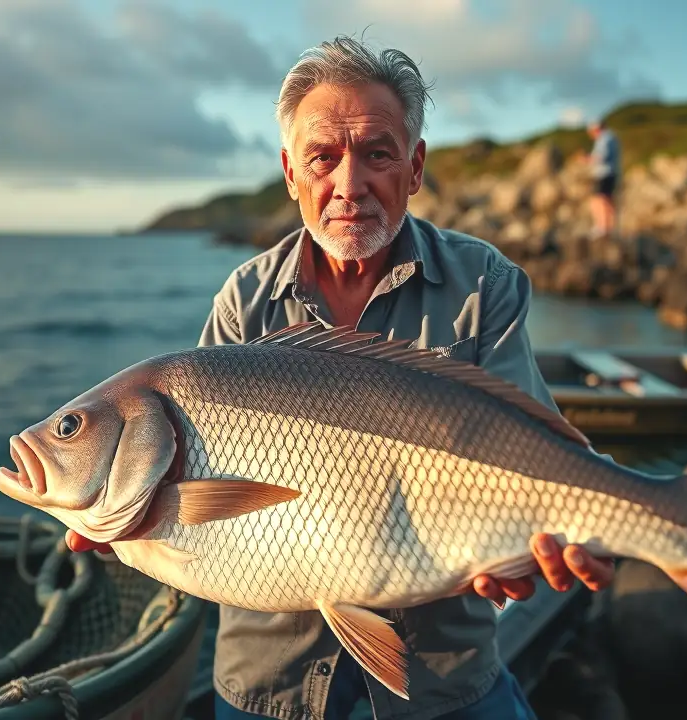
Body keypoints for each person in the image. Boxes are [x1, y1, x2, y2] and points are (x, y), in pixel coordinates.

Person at [65, 36, 615, 720]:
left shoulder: (484, 284)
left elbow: (536, 448)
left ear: (414, 167)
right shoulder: (245, 299)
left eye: (377, 154)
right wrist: (132, 525)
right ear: (291, 171)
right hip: (274, 684)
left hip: (444, 673)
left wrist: (542, 543)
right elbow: (201, 521)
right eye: (323, 157)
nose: (348, 185)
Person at [586, 120, 620, 240]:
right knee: (607, 200)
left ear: (596, 129)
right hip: (611, 173)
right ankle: (610, 227)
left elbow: (601, 157)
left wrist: (587, 159)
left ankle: (602, 227)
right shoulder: (611, 137)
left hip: (603, 174)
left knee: (599, 200)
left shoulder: (604, 138)